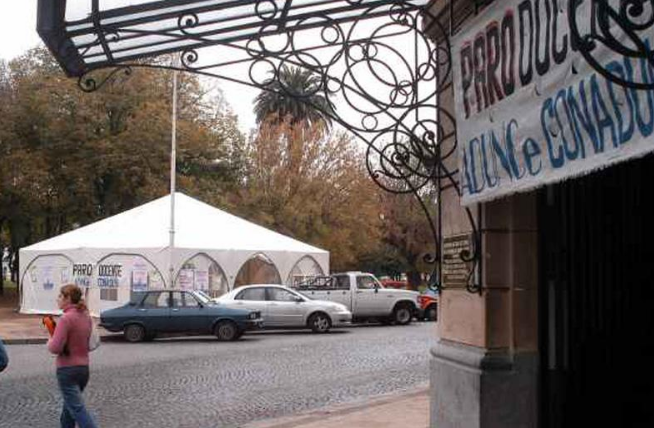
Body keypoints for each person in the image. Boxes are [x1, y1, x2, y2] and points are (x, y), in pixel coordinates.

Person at [47, 284, 97, 428]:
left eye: (60, 296)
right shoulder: (86, 316)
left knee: (77, 409)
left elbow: (55, 347)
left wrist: (49, 341)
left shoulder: (65, 319)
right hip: (83, 369)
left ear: (68, 298)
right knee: (69, 409)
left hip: (67, 370)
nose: (58, 299)